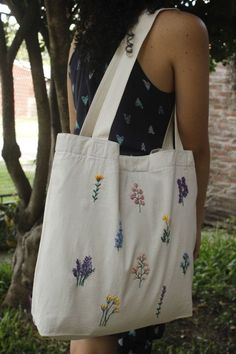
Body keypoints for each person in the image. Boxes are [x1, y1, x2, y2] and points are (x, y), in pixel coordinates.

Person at [67, 1, 210, 353]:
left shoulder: (80, 39)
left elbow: (80, 134)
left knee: (91, 323)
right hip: (147, 216)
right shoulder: (182, 30)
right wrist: (194, 221)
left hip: (88, 213)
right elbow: (195, 149)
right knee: (120, 326)